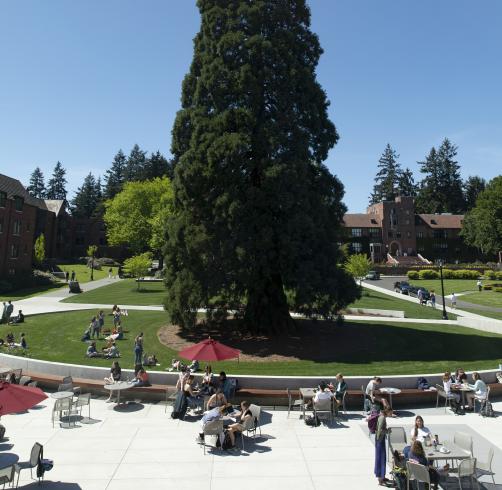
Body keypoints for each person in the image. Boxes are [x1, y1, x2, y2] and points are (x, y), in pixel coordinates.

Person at [374, 407, 393, 486]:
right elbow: (380, 430)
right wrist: (387, 431)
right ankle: (380, 479)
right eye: (390, 413)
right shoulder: (382, 418)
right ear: (387, 411)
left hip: (379, 440)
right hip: (379, 441)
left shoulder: (382, 416)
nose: (391, 414)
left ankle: (382, 476)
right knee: (381, 459)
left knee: (382, 458)